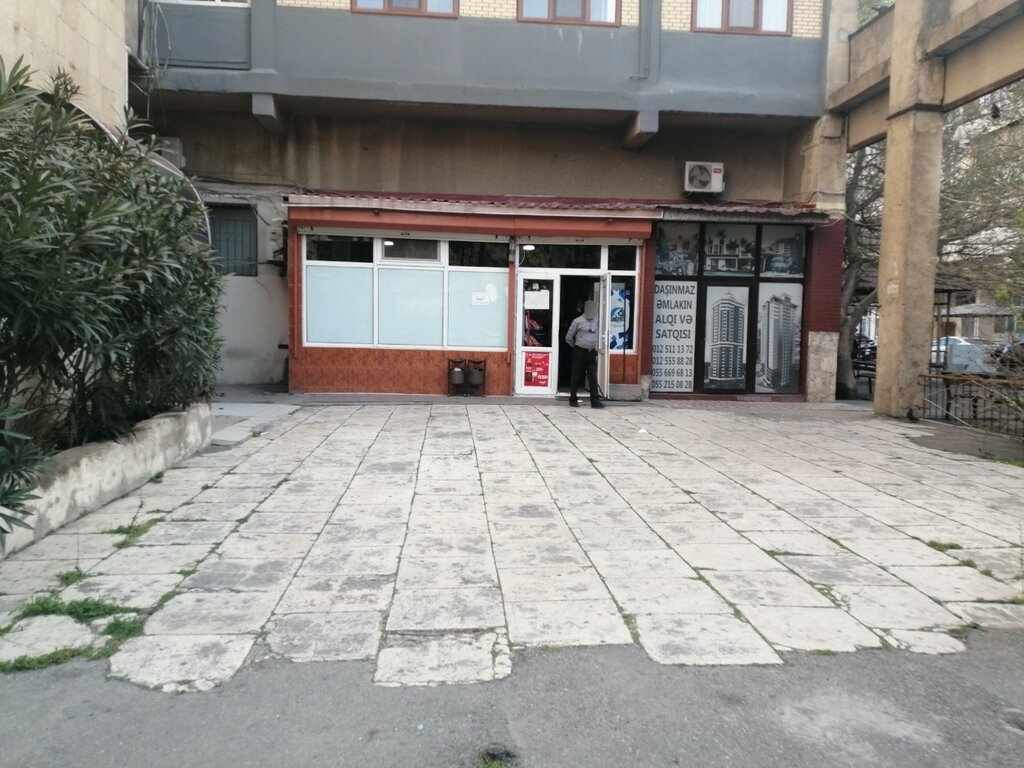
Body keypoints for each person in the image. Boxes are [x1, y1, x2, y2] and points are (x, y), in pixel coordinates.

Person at [565, 300, 605, 408]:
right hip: (580, 352)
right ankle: (573, 400)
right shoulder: (577, 321)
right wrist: (576, 346)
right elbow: (568, 337)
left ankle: (595, 402)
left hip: (591, 352)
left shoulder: (597, 320)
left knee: (593, 377)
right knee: (576, 376)